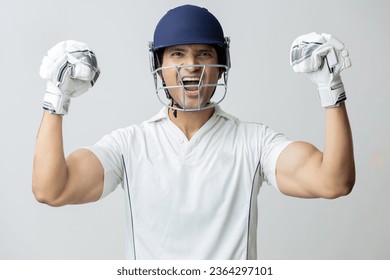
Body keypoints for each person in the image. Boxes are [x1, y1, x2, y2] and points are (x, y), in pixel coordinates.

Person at [32, 4, 355, 259]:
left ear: (221, 64)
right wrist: (55, 100)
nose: (191, 66)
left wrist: (331, 90)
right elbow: (52, 190)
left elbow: (333, 181)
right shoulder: (129, 145)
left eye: (204, 53)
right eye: (178, 54)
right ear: (159, 66)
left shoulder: (254, 142)